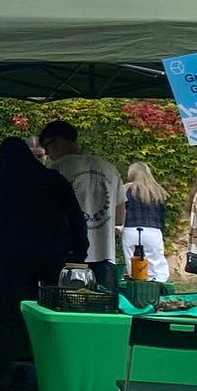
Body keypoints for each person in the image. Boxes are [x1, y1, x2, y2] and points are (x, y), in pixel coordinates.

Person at [0, 136, 86, 390]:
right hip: (52, 259)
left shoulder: (1, 183)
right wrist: (78, 254)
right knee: (48, 319)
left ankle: (1, 385)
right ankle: (47, 381)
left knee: (9, 322)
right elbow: (76, 219)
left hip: (12, 261)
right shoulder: (53, 180)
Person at [39, 120, 122, 286]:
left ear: (57, 141)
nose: (48, 154)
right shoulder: (110, 169)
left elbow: (44, 215)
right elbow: (120, 217)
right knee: (102, 309)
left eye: (47, 148)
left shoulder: (54, 171)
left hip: (65, 258)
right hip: (105, 255)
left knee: (63, 309)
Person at [120, 162, 171, 282]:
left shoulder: (125, 189)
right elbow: (161, 215)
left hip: (130, 229)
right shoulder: (157, 191)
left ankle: (137, 286)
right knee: (156, 263)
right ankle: (158, 287)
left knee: (132, 263)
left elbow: (121, 211)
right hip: (153, 230)